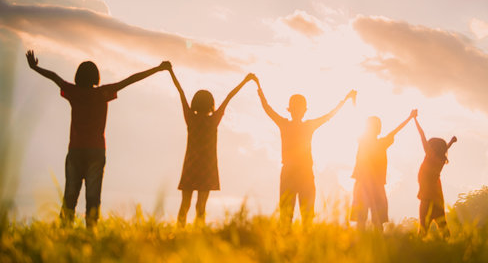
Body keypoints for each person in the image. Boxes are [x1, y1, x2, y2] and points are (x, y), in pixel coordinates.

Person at [25, 50, 170, 227]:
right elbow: (131, 79)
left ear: (78, 76)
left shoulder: (74, 92)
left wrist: (35, 67)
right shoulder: (103, 93)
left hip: (76, 150)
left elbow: (55, 77)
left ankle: (64, 230)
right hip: (96, 151)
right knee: (93, 197)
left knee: (70, 194)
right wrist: (157, 69)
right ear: (96, 77)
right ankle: (91, 231)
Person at [254, 76, 356, 227]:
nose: (297, 111)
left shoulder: (287, 124)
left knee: (293, 214)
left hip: (296, 172)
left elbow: (267, 108)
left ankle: (291, 242)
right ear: (303, 110)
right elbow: (329, 115)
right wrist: (344, 99)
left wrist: (259, 88)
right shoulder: (304, 125)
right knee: (299, 214)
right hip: (300, 172)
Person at [167, 66, 255, 227]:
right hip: (207, 167)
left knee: (185, 205)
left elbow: (180, 92)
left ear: (194, 103)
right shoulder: (213, 120)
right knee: (201, 206)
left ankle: (179, 233)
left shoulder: (190, 119)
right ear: (211, 104)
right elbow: (229, 97)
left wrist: (170, 71)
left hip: (191, 166)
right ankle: (198, 236)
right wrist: (245, 80)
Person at [351, 110, 417, 229]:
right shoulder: (377, 143)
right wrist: (409, 117)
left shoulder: (365, 142)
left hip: (366, 184)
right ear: (378, 129)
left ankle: (364, 242)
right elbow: (395, 131)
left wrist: (409, 118)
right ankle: (369, 242)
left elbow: (394, 131)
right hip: (371, 185)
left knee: (370, 220)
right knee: (374, 220)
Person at [413, 114, 456, 236]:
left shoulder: (430, 155)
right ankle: (452, 247)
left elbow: (422, 135)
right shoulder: (441, 159)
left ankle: (419, 250)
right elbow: (444, 149)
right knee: (443, 227)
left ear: (432, 148)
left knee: (423, 228)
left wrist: (414, 119)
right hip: (437, 196)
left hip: (427, 197)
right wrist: (451, 143)